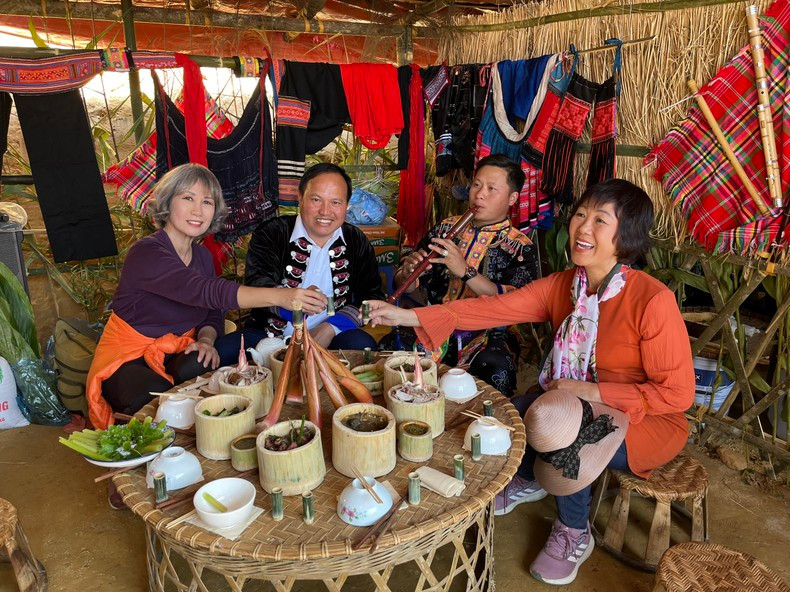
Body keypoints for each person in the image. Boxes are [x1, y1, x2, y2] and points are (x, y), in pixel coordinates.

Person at [367, 178, 694, 585]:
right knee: (510, 414)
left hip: (645, 421)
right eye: (579, 215)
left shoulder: (651, 300)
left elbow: (677, 395)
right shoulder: (564, 285)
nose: (582, 228)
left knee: (573, 436)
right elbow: (491, 309)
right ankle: (529, 478)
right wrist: (404, 316)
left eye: (600, 220)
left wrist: (588, 391)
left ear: (625, 236)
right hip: (567, 402)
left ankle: (574, 531)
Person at [86, 163, 326, 433]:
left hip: (173, 351)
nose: (198, 210)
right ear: (166, 202)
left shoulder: (201, 256)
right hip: (127, 359)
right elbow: (205, 291)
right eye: (187, 198)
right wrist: (282, 296)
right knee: (164, 408)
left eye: (207, 202)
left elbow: (213, 309)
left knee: (205, 364)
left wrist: (205, 340)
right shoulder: (147, 253)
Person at [385, 153, 539, 396]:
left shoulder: (520, 246)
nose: (479, 194)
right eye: (476, 185)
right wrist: (408, 275)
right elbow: (409, 283)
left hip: (488, 333)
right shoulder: (445, 228)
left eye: (491, 189)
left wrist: (465, 271)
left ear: (512, 198)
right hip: (433, 320)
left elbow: (514, 303)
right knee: (389, 350)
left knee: (496, 368)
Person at [241, 162, 383, 349]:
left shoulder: (356, 240)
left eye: (336, 202)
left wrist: (331, 328)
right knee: (224, 352)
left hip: (332, 338)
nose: (325, 211)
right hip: (268, 335)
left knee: (362, 344)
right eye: (316, 200)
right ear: (300, 198)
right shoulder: (272, 233)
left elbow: (371, 298)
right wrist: (288, 300)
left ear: (347, 205)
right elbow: (255, 283)